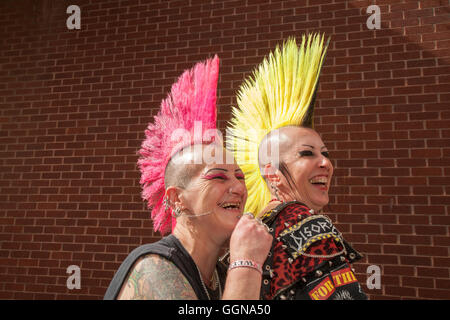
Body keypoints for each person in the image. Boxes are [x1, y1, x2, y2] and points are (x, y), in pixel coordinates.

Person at [104, 56, 272, 300]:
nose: (238, 187)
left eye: (240, 177)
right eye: (218, 177)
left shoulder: (224, 276)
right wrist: (246, 263)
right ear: (176, 198)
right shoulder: (154, 267)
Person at [227, 34, 368, 300]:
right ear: (272, 174)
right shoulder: (310, 227)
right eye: (307, 153)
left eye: (325, 153)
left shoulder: (249, 233)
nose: (326, 163)